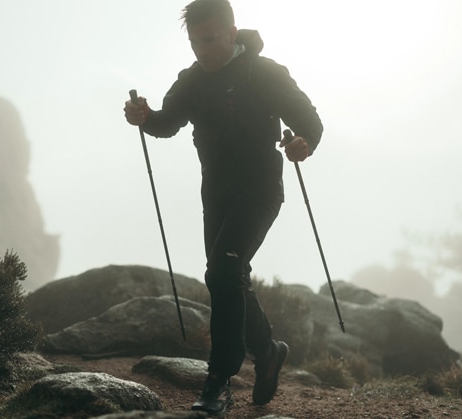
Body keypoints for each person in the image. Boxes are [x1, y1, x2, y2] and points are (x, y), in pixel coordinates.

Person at [123, 0, 323, 415]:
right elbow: (166, 123)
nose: (201, 50)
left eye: (209, 40)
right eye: (194, 42)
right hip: (214, 193)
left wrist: (303, 142)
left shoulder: (264, 73)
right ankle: (267, 353)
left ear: (232, 33)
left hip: (260, 190)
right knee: (230, 276)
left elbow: (310, 122)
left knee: (223, 271)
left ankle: (218, 381)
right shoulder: (192, 81)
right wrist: (142, 116)